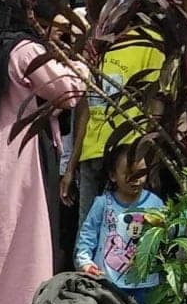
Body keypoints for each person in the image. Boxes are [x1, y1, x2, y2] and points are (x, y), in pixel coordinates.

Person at [0, 29, 88, 304]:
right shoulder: (28, 50)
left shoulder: (4, 45)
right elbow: (68, 92)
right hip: (26, 155)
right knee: (30, 245)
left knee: (2, 248)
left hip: (4, 153)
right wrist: (77, 62)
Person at [68, 31, 164, 267]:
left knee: (133, 236)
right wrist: (72, 163)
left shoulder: (149, 41)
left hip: (128, 156)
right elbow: (84, 106)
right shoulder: (94, 39)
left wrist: (148, 157)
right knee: (87, 236)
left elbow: (157, 103)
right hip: (92, 154)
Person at [75, 143, 164, 304]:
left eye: (140, 174)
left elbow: (168, 233)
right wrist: (85, 261)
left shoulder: (155, 204)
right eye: (128, 174)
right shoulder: (103, 204)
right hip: (109, 282)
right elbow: (88, 234)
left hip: (145, 284)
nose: (135, 180)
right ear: (113, 175)